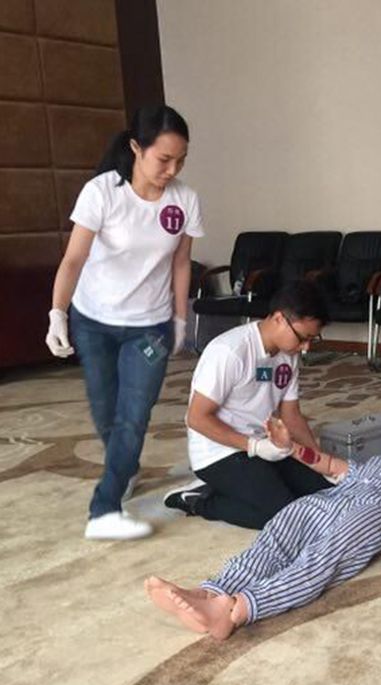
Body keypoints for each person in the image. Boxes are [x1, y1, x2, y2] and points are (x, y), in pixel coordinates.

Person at [45, 105, 203, 540]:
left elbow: (181, 262)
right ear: (136, 147)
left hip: (150, 325)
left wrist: (179, 318)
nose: (172, 171)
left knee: (133, 414)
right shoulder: (102, 193)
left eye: (181, 161)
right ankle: (125, 466)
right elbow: (74, 259)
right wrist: (57, 312)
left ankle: (104, 510)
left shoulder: (184, 200)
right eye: (163, 159)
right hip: (93, 320)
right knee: (106, 410)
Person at [146, 428, 381, 641]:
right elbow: (333, 466)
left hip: (377, 511)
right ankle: (211, 592)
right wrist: (294, 449)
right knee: (278, 534)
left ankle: (237, 609)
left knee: (320, 559)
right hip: (331, 499)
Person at [164, 281, 332, 530]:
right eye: (303, 338)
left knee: (325, 494)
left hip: (266, 446)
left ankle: (248, 484)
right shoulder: (230, 351)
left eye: (311, 340)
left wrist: (318, 461)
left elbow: (292, 416)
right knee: (287, 516)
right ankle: (200, 500)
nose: (305, 348)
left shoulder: (289, 355)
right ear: (279, 318)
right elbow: (197, 418)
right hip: (219, 453)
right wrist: (253, 446)